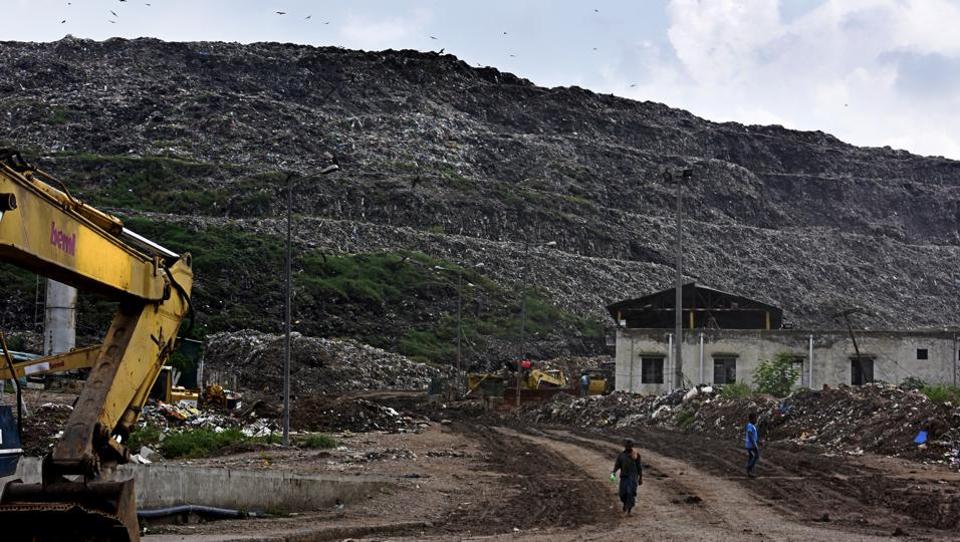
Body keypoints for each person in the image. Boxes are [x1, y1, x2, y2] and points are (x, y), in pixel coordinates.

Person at [611, 438, 643, 514]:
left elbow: (639, 467)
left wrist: (640, 478)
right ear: (625, 446)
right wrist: (613, 473)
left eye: (630, 445)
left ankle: (629, 510)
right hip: (624, 477)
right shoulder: (621, 455)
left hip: (633, 477)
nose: (628, 446)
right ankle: (625, 504)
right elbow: (617, 465)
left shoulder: (636, 455)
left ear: (632, 446)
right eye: (627, 445)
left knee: (630, 492)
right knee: (622, 494)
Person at [745, 412, 760, 477]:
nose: (756, 420)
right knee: (756, 456)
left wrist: (758, 442)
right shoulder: (750, 425)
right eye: (755, 419)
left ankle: (749, 471)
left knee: (751, 456)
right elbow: (750, 434)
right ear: (752, 419)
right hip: (751, 445)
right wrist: (754, 444)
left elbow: (753, 436)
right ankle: (749, 468)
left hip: (751, 444)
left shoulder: (752, 426)